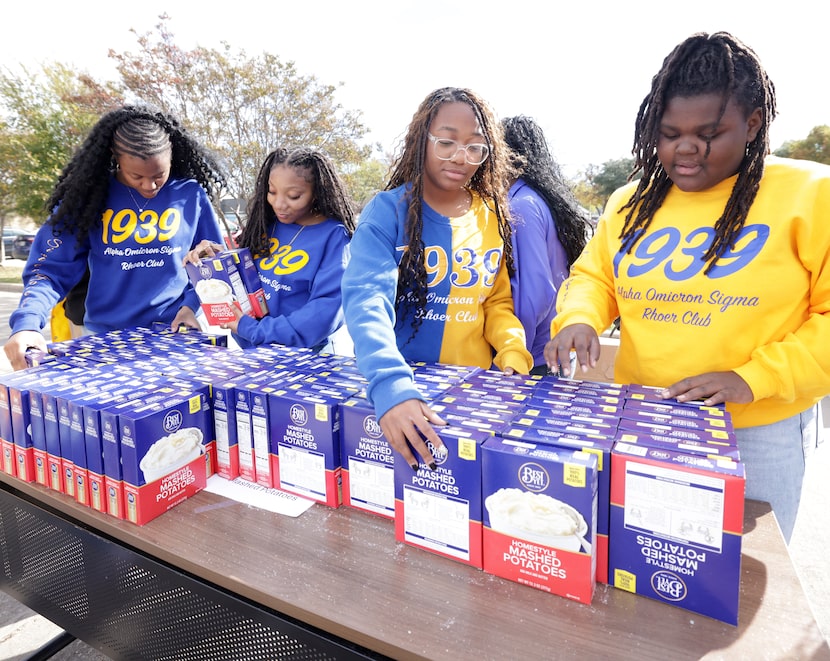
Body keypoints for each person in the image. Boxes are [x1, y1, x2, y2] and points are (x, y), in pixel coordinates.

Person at [544, 31, 830, 543]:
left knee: (736, 581)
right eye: (670, 132)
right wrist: (581, 317)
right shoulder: (631, 201)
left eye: (708, 133)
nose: (686, 150)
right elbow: (593, 276)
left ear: (752, 124)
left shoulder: (810, 193)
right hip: (642, 418)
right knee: (645, 562)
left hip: (755, 431)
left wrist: (752, 378)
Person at [341, 87, 533, 471]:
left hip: (473, 395)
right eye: (446, 142)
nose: (461, 158)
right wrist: (391, 388)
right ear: (421, 140)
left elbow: (495, 303)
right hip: (404, 397)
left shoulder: (491, 216)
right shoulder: (388, 212)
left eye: (476, 147)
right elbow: (367, 302)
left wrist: (512, 352)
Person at [3, 104, 225, 371]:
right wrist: (27, 323)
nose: (149, 186)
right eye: (137, 176)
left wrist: (191, 307)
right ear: (115, 156)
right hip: (105, 342)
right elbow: (49, 271)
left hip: (175, 335)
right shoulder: (87, 198)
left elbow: (211, 265)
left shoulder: (189, 194)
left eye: (159, 176)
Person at [183, 146, 355, 350]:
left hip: (307, 358)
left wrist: (252, 329)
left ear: (316, 193)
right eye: (272, 192)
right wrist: (216, 259)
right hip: (255, 353)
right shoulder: (266, 224)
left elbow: (325, 312)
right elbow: (246, 279)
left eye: (293, 196)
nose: (279, 204)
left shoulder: (334, 236)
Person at [501, 115, 590, 374]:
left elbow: (533, 295)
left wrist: (516, 354)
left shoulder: (520, 206)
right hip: (552, 350)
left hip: (535, 359)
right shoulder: (543, 200)